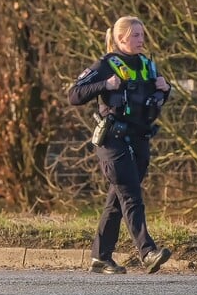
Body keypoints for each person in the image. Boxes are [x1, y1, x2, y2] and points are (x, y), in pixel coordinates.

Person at [68, 16, 173, 274]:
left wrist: (166, 88)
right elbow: (74, 94)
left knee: (118, 201)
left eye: (142, 34)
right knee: (131, 196)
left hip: (139, 139)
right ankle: (147, 252)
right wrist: (105, 84)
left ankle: (100, 257)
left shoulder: (147, 65)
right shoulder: (106, 65)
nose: (141, 39)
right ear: (120, 38)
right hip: (112, 141)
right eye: (135, 35)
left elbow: (156, 97)